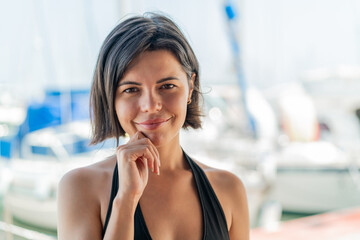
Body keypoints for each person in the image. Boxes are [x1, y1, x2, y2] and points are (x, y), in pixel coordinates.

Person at [57, 12, 249, 240]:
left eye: (167, 86)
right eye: (131, 89)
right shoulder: (80, 188)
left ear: (190, 87)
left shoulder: (228, 189)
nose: (151, 105)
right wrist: (126, 199)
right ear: (111, 98)